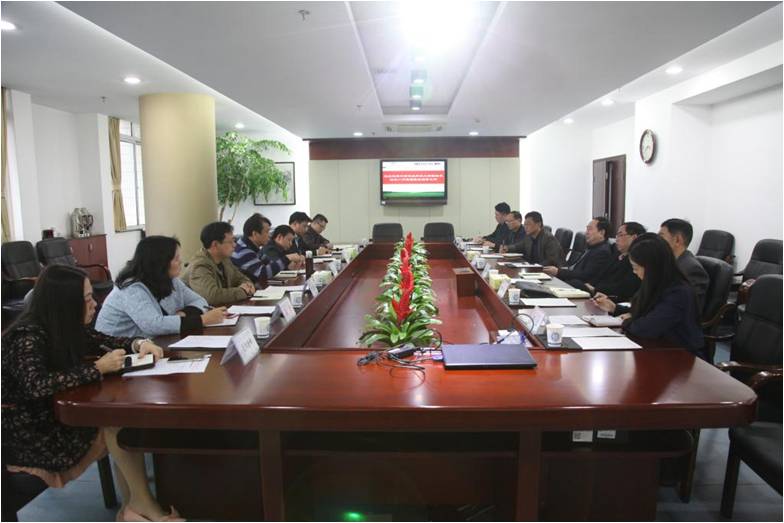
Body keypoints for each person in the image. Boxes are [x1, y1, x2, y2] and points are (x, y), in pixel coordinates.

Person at [1, 265, 182, 522]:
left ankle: (134, 506)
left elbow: (102, 340)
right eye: (87, 299)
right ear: (65, 303)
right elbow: (37, 384)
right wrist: (97, 368)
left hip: (49, 417)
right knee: (115, 423)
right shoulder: (27, 336)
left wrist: (139, 343)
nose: (95, 304)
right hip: (28, 434)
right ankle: (140, 505)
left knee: (118, 420)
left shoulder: (63, 325)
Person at [592, 235, 706, 360]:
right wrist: (616, 309)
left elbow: (646, 328)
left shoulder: (678, 293)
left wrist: (627, 321)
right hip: (658, 350)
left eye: (636, 267)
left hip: (682, 357)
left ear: (652, 267)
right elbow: (645, 312)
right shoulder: (656, 283)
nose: (634, 272)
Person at [96, 236, 229, 338]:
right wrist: (202, 320)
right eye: (176, 258)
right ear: (160, 262)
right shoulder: (131, 288)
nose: (181, 261)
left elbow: (201, 301)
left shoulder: (171, 280)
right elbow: (154, 325)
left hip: (151, 344)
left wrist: (183, 314)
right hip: (115, 351)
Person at [181, 222, 256, 306]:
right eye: (230, 242)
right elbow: (212, 296)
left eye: (234, 241)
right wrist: (243, 291)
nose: (235, 245)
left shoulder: (224, 259)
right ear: (215, 244)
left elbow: (241, 278)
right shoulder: (199, 266)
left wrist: (248, 285)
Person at [582, 221, 646, 302]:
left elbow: (625, 287)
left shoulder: (637, 261)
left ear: (634, 238)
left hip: (613, 299)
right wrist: (591, 285)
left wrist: (595, 288)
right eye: (616, 235)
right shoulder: (616, 254)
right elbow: (601, 273)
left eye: (620, 235)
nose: (617, 239)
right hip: (598, 293)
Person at [232, 214, 302, 284]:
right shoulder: (244, 251)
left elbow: (268, 265)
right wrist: (287, 258)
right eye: (266, 232)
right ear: (255, 234)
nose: (269, 235)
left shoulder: (250, 247)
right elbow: (263, 274)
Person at [659, 218, 709, 313]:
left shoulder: (691, 269)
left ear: (677, 240)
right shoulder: (669, 262)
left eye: (661, 236)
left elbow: (687, 308)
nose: (657, 240)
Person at [543, 217, 613, 286]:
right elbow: (574, 268)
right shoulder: (592, 247)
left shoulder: (602, 252)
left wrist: (558, 272)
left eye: (590, 229)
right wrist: (558, 270)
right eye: (587, 229)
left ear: (601, 232)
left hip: (577, 285)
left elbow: (585, 275)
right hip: (569, 279)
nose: (586, 232)